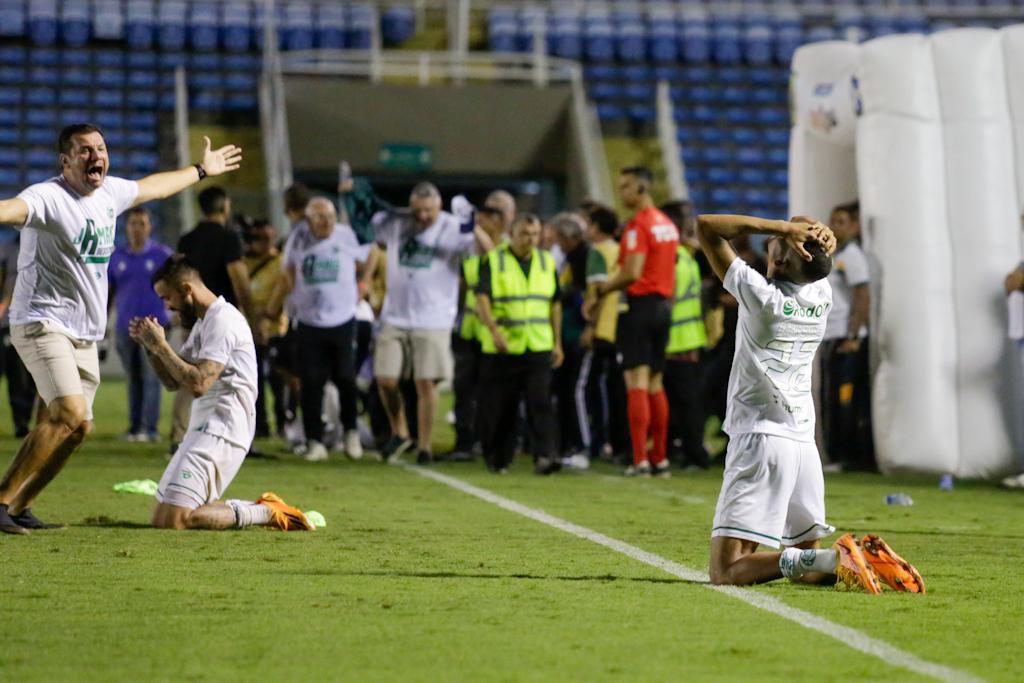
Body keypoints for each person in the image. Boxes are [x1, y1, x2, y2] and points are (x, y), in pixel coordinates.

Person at [0, 123, 241, 534]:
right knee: (69, 414)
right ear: (65, 161)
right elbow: (8, 210)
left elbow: (155, 187)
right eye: (84, 150)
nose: (96, 155)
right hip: (42, 322)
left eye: (100, 147)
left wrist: (200, 171)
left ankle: (21, 505)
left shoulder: (109, 192)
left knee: (79, 429)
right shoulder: (48, 197)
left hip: (84, 332)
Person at [697, 213, 923, 593]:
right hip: (803, 445)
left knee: (726, 570)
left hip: (760, 440)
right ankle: (859, 561)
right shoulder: (822, 294)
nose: (788, 227)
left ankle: (836, 558)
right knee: (807, 565)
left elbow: (706, 226)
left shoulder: (761, 297)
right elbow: (812, 259)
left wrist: (781, 229)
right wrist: (811, 234)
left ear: (782, 259)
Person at [130, 255, 313, 531]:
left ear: (186, 290)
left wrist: (162, 348)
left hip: (223, 430)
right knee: (162, 520)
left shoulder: (223, 321)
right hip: (203, 430)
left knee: (179, 520)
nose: (167, 306)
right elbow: (173, 380)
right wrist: (152, 348)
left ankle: (265, 512)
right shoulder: (204, 323)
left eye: (168, 297)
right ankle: (254, 508)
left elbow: (198, 383)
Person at [372, 182, 492, 464]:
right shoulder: (400, 222)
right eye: (418, 211)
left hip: (434, 316)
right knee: (386, 379)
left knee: (426, 383)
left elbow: (487, 251)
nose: (423, 216)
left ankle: (424, 446)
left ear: (439, 206)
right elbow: (373, 235)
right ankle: (400, 430)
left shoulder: (453, 226)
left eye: (428, 211)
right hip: (395, 314)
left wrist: (472, 224)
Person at [266, 198, 374, 462]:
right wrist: (295, 295)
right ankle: (315, 441)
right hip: (309, 321)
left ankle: (350, 432)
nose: (325, 222)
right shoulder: (298, 237)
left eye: (329, 216)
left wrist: (364, 282)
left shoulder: (346, 235)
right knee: (311, 383)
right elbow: (287, 267)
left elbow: (371, 253)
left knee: (346, 379)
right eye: (319, 217)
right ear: (309, 219)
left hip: (343, 318)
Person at [597, 167, 679, 478]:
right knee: (656, 384)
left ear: (642, 188)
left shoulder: (637, 226)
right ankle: (660, 458)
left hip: (639, 308)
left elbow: (632, 272)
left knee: (637, 383)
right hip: (663, 309)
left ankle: (640, 459)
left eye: (626, 186)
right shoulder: (667, 225)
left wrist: (603, 289)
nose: (622, 193)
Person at [475, 214, 563, 475]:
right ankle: (498, 457)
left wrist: (557, 342)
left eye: (535, 234)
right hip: (503, 347)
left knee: (541, 402)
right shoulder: (494, 260)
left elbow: (554, 303)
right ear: (511, 234)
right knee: (502, 406)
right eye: (525, 234)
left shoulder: (547, 262)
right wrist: (493, 330)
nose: (531, 240)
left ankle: (546, 455)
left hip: (537, 343)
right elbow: (482, 297)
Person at [172, 186, 251, 448]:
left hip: (193, 317)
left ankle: (179, 435)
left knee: (188, 374)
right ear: (224, 206)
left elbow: (179, 276)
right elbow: (240, 280)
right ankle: (235, 434)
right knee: (232, 379)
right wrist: (251, 314)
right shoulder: (229, 238)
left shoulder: (188, 239)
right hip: (222, 318)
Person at [450, 191, 514, 461]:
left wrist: (472, 224)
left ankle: (487, 442)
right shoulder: (469, 252)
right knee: (464, 390)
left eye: (488, 218)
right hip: (468, 331)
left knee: (491, 392)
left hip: (495, 332)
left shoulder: (506, 251)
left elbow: (493, 257)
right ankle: (465, 442)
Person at [107, 207, 172, 442]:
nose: (137, 228)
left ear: (150, 227)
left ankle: (150, 429)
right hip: (126, 327)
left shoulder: (162, 255)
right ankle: (135, 427)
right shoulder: (117, 257)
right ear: (126, 227)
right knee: (133, 378)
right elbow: (110, 292)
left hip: (155, 327)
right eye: (133, 223)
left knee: (151, 376)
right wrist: (104, 321)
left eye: (142, 224)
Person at [819, 201, 874, 471]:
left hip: (845, 336)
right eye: (832, 220)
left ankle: (847, 456)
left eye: (840, 221)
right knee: (830, 396)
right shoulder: (835, 254)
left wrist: (854, 334)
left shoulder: (852, 256)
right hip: (830, 333)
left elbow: (862, 296)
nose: (834, 226)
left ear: (854, 226)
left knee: (844, 398)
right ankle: (836, 454)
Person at [660, 200, 710, 470]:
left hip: (676, 341)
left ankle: (693, 454)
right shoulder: (687, 256)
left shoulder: (674, 259)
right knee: (684, 403)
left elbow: (669, 301)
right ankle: (686, 451)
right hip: (689, 338)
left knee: (683, 403)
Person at [581, 203, 629, 464]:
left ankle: (596, 443)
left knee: (590, 389)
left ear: (597, 228)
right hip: (621, 325)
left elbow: (599, 290)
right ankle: (620, 445)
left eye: (589, 224)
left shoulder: (597, 251)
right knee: (617, 390)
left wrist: (590, 326)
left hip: (604, 327)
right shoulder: (621, 249)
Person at [242, 218, 288, 439]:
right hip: (250, 331)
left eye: (267, 238)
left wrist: (267, 315)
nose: (262, 243)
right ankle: (260, 425)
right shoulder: (243, 262)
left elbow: (284, 292)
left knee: (279, 382)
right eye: (257, 238)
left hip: (276, 330)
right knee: (255, 381)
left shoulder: (280, 262)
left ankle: (283, 422)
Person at [551, 212, 591, 464]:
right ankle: (569, 445)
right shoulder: (571, 257)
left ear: (567, 237)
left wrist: (590, 326)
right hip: (567, 333)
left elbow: (587, 295)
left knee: (575, 390)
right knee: (565, 390)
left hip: (578, 333)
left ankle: (581, 446)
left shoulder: (585, 257)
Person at [0, 233, 37, 437]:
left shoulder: (44, 242)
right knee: (16, 374)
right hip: (11, 319)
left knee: (34, 375)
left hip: (38, 318)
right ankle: (20, 422)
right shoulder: (7, 249)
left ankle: (27, 417)